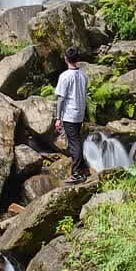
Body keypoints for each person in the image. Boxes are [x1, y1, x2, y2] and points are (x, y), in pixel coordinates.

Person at [55, 47, 89, 183]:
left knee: (74, 144)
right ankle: (83, 169)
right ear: (78, 59)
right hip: (80, 113)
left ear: (65, 59)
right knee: (77, 141)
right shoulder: (83, 75)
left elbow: (61, 99)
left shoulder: (65, 77)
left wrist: (58, 118)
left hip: (70, 115)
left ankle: (76, 174)